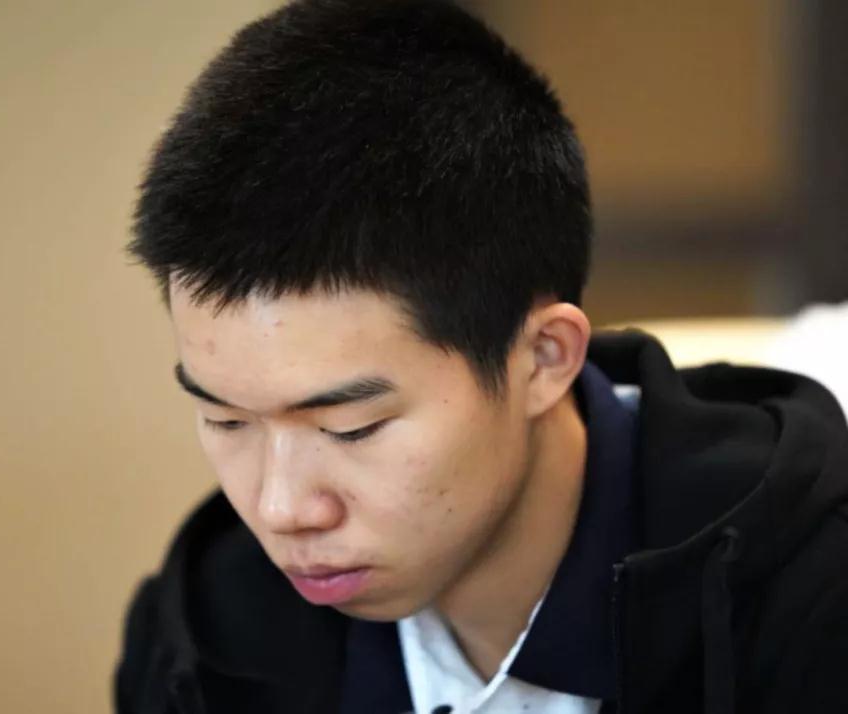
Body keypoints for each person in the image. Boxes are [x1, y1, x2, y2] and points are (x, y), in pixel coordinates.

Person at [114, 1, 848, 712]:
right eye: (227, 420)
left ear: (544, 358)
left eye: (350, 429)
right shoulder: (205, 635)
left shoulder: (810, 610)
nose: (282, 510)